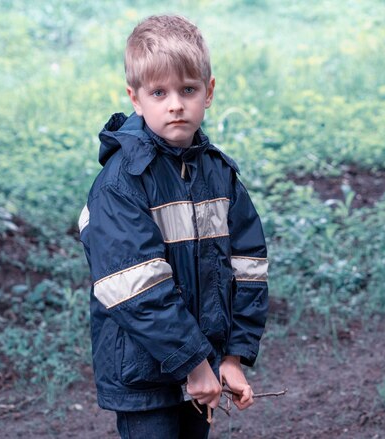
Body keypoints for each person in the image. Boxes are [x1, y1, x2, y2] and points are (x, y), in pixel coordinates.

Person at [77, 15, 269, 439]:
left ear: (209, 91)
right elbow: (136, 288)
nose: (176, 104)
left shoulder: (219, 175)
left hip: (206, 366)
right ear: (135, 98)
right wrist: (194, 363)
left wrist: (233, 357)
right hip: (143, 371)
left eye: (188, 90)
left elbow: (249, 266)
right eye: (159, 92)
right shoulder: (121, 183)